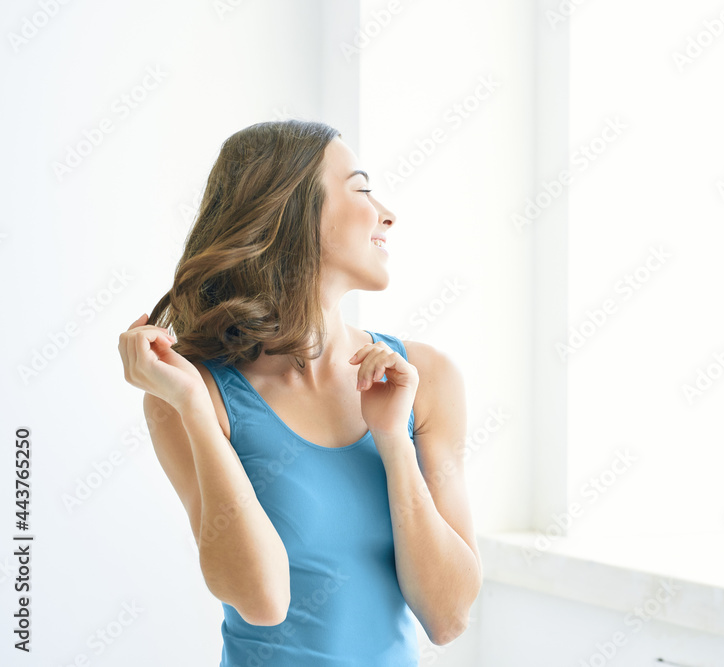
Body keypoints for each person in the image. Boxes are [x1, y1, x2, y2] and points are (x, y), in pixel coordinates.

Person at [117, 119, 482, 665]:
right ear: (291, 213)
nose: (387, 213)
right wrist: (193, 407)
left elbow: (448, 618)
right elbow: (261, 602)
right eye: (361, 189)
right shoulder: (197, 392)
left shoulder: (424, 378)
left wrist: (393, 441)